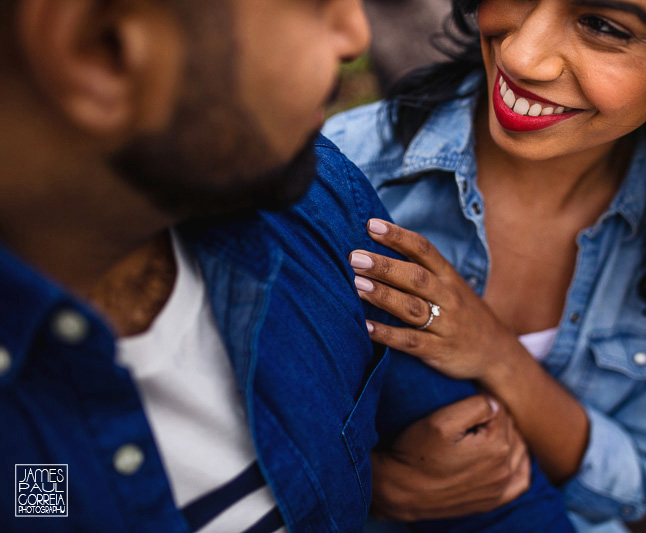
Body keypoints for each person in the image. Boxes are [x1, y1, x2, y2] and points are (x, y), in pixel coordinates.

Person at [0, 0, 575, 531]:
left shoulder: (317, 203)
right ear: (98, 47)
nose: (356, 37)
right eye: (314, 4)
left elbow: (491, 487)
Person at [324, 0, 646, 530]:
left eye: (602, 26)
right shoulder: (347, 178)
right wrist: (373, 487)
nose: (523, 55)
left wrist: (497, 355)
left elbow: (639, 479)